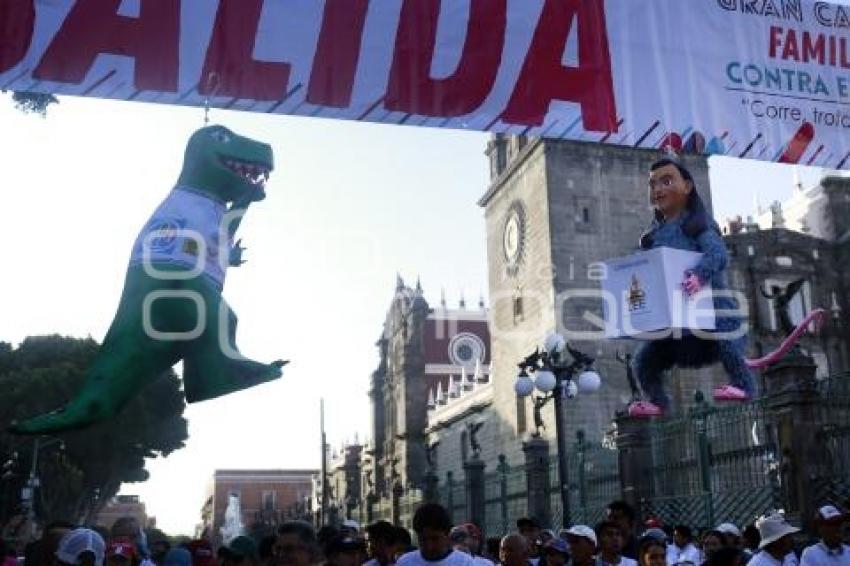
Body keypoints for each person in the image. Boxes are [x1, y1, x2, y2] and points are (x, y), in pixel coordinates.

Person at [628, 158, 756, 417]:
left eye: (666, 181)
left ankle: (743, 386)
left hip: (713, 316)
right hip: (676, 327)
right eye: (653, 184)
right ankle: (657, 401)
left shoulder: (698, 225)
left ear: (687, 186)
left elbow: (718, 255)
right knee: (642, 362)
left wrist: (699, 276)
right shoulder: (652, 236)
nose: (658, 190)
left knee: (729, 345)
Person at [396, 503, 474, 566]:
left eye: (435, 539)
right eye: (423, 540)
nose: (429, 546)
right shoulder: (405, 562)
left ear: (447, 535)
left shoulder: (465, 563)